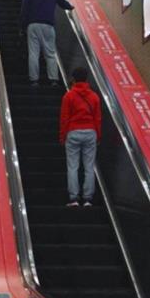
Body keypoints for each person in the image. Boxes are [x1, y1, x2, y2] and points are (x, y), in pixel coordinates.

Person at [20, 0, 74, 86]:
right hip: (48, 25)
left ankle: (34, 80)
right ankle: (53, 79)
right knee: (50, 53)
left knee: (33, 53)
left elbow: (24, 12)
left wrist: (22, 27)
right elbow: (64, 4)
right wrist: (71, 7)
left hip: (33, 25)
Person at [60, 67, 102, 208]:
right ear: (86, 79)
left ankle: (74, 198)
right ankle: (88, 198)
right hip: (90, 132)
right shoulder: (94, 97)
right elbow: (98, 118)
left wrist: (63, 136)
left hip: (73, 132)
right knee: (89, 166)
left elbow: (64, 119)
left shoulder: (69, 96)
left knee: (73, 166)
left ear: (74, 79)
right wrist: (98, 135)